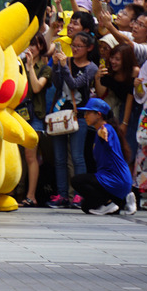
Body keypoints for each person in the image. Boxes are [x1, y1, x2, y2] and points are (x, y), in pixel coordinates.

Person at [48, 32, 98, 209]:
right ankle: (62, 195)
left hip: (79, 115)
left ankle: (79, 195)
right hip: (59, 113)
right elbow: (57, 82)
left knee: (77, 157)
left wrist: (64, 67)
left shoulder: (91, 68)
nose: (75, 49)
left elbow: (75, 84)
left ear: (89, 48)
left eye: (79, 46)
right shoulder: (66, 60)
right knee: (60, 158)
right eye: (73, 45)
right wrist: (56, 66)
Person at [71, 98, 136, 215]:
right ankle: (121, 202)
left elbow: (106, 134)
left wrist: (103, 134)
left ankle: (108, 202)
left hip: (115, 180)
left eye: (88, 113)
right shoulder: (102, 130)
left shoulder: (107, 129)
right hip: (112, 181)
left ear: (99, 114)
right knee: (86, 207)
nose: (85, 116)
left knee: (77, 181)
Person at [17, 33, 51, 207]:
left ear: (41, 48)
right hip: (18, 114)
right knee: (17, 155)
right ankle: (17, 192)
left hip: (35, 116)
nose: (31, 48)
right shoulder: (18, 64)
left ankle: (31, 196)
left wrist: (30, 68)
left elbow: (37, 87)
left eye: (35, 45)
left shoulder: (45, 69)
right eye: (29, 44)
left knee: (31, 156)